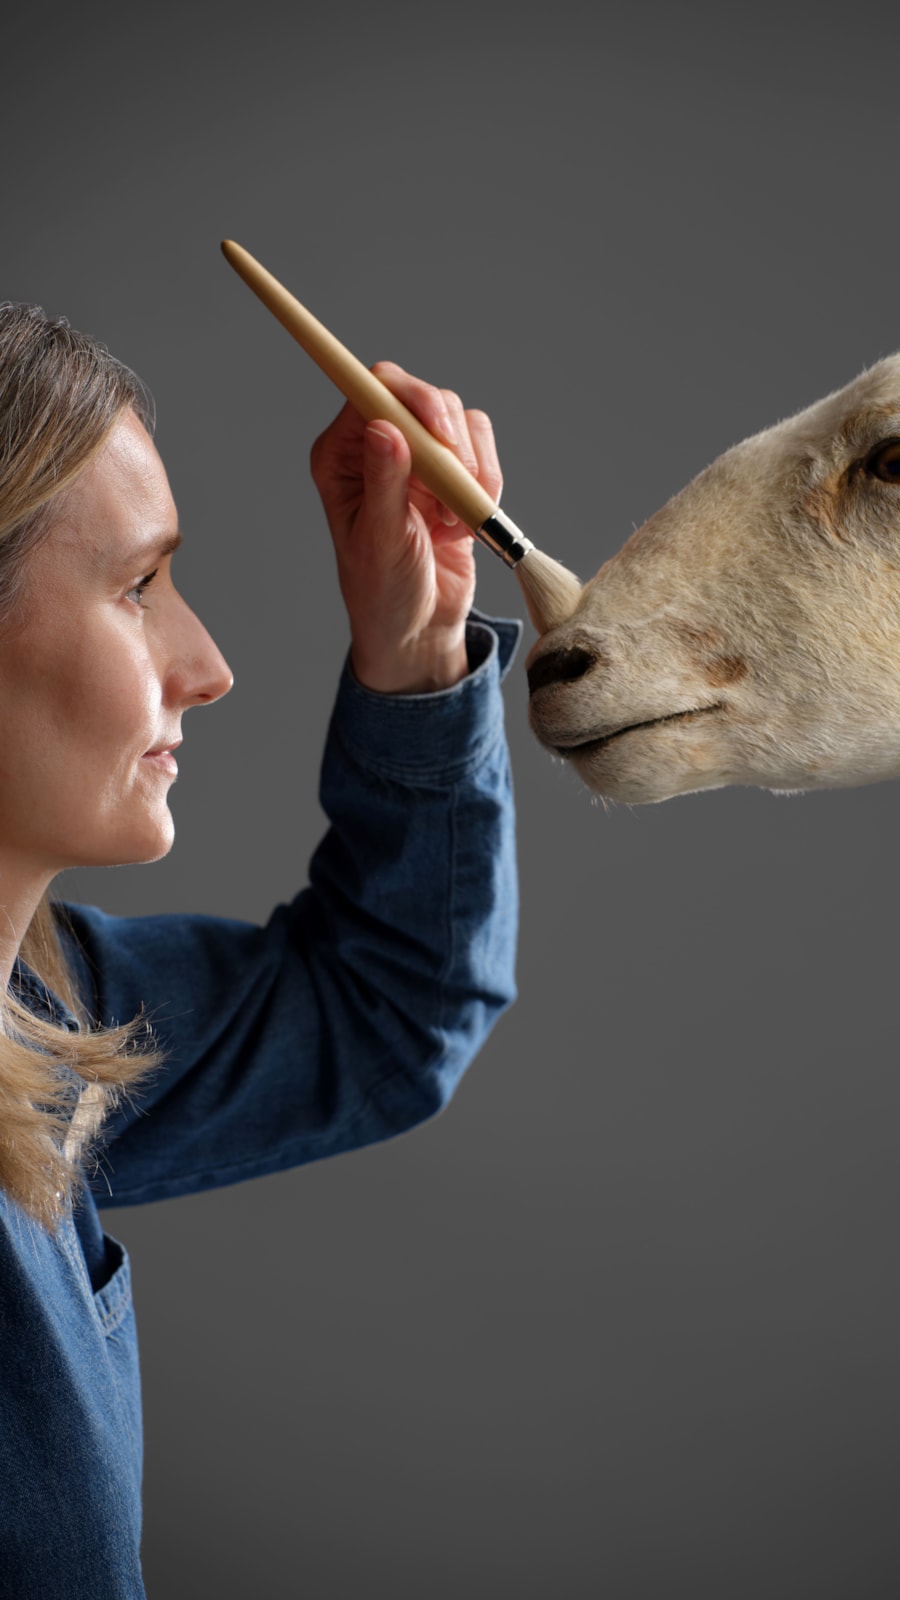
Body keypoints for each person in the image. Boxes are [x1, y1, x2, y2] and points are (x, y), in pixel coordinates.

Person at [0, 303, 519, 1596]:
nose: (209, 665)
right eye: (138, 587)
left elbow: (385, 1010)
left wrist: (417, 653)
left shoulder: (45, 1022)